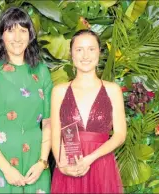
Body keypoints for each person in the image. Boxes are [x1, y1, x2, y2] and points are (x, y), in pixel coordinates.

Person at [0, 7, 53, 193]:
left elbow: (49, 123)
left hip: (35, 167)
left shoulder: (41, 71)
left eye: (23, 30)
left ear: (30, 36)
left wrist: (42, 162)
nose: (17, 37)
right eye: (10, 30)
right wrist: (7, 169)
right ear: (1, 35)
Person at [51, 29, 126, 193]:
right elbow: (55, 134)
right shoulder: (59, 91)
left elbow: (120, 135)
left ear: (99, 52)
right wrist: (61, 164)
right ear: (71, 54)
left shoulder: (112, 90)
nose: (85, 55)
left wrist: (91, 158)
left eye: (91, 49)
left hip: (101, 166)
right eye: (79, 49)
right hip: (69, 167)